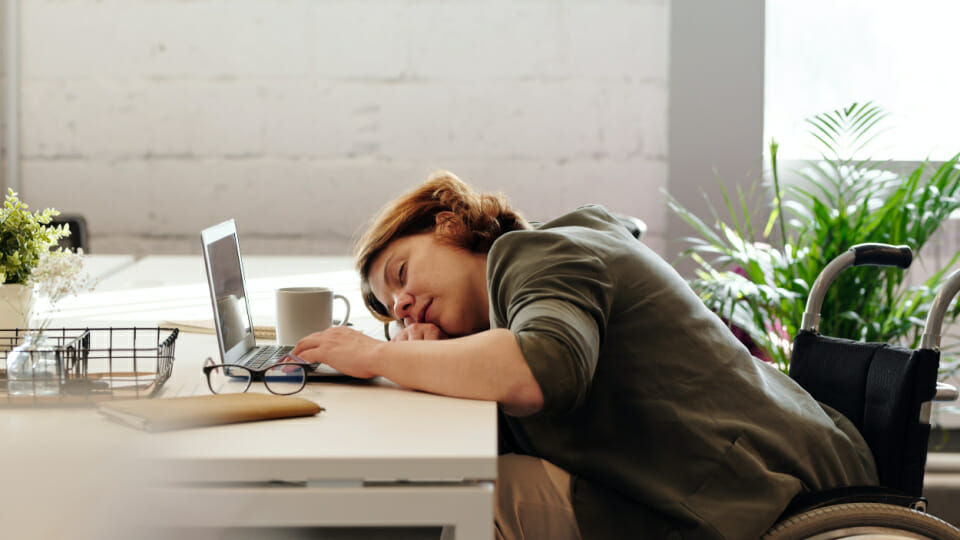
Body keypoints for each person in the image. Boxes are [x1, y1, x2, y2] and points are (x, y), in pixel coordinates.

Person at [290, 171, 879, 539]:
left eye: (400, 274)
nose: (403, 306)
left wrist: (378, 356)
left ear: (448, 225)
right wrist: (428, 363)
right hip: (735, 475)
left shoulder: (539, 254)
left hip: (757, 492)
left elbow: (543, 369)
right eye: (389, 308)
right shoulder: (527, 278)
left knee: (457, 495)